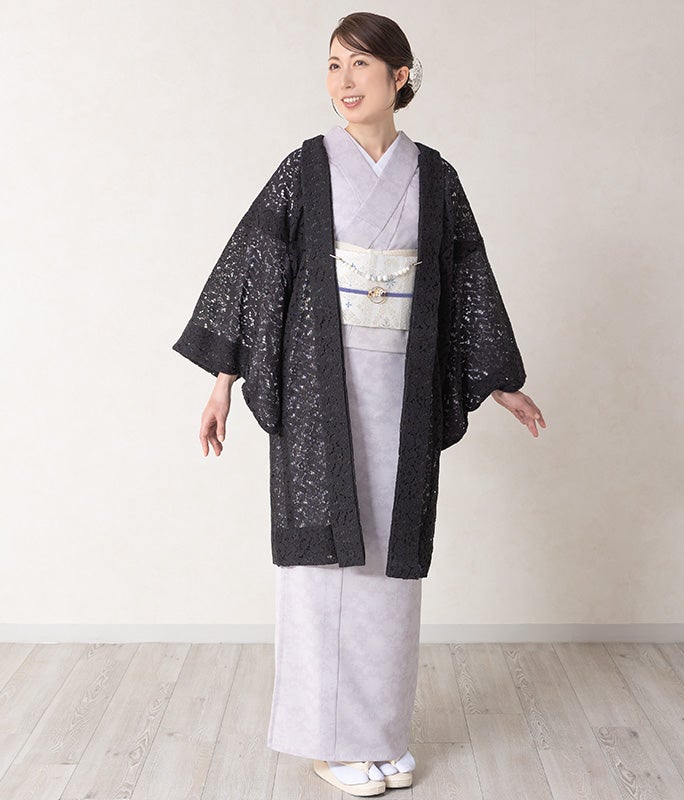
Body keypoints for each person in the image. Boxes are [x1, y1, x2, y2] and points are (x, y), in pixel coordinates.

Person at [173, 12, 545, 796]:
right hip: (321, 395)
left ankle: (378, 734)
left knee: (388, 565)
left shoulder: (435, 177)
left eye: (361, 65)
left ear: (399, 76)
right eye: (333, 65)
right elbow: (256, 268)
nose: (343, 81)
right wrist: (222, 382)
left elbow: (466, 279)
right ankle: (326, 740)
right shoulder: (305, 168)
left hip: (403, 393)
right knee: (324, 565)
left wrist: (497, 377)